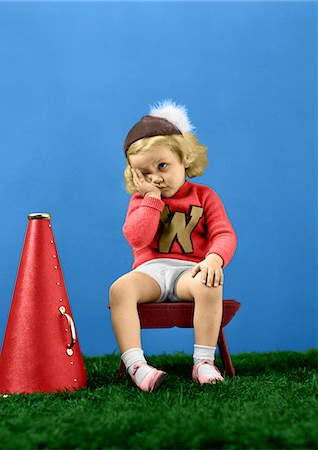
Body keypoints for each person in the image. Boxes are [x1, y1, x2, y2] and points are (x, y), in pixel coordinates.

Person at [109, 99, 237, 392]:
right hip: (150, 272)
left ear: (184, 158)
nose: (155, 177)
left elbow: (224, 234)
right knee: (120, 290)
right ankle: (137, 366)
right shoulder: (141, 201)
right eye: (144, 172)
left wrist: (214, 259)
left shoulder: (204, 196)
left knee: (209, 284)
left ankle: (204, 362)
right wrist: (151, 198)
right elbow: (137, 238)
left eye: (162, 165)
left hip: (189, 271)